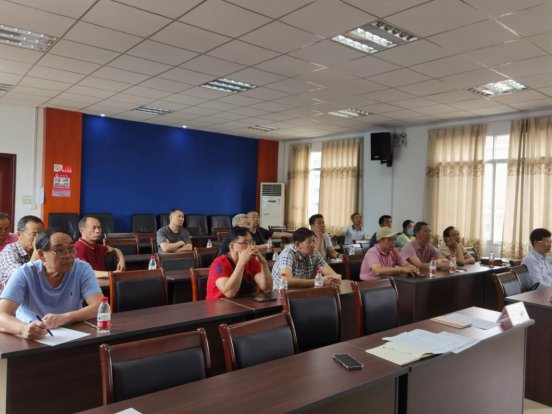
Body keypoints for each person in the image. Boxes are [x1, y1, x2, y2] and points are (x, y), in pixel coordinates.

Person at [0, 228, 103, 340]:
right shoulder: (25, 273)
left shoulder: (81, 269)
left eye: (71, 249)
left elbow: (100, 306)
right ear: (42, 255)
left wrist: (65, 317)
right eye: (59, 250)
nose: (68, 255)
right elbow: (1, 314)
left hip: (72, 335)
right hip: (32, 337)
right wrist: (23, 328)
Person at [206, 226, 272, 299]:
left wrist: (263, 263)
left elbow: (267, 288)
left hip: (245, 303)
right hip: (219, 304)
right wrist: (241, 263)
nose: (250, 246)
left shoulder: (252, 261)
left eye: (251, 242)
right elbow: (229, 293)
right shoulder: (218, 264)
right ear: (232, 247)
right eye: (244, 243)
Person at [271, 227, 342, 288]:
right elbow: (286, 280)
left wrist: (336, 279)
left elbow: (331, 274)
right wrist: (317, 281)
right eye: (310, 242)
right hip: (280, 292)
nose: (313, 245)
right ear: (298, 244)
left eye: (314, 241)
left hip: (301, 290)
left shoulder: (314, 253)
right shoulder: (288, 253)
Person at [0, 215, 44, 284]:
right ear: (19, 235)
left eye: (41, 234)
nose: (38, 238)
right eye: (34, 234)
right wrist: (36, 252)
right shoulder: (8, 252)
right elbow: (21, 278)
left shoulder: (44, 250)